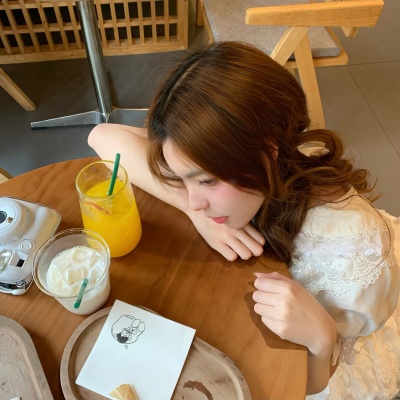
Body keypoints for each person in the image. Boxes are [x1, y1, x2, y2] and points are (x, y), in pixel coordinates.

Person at [88, 41, 400, 399]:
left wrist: (321, 336)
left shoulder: (353, 247)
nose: (196, 200)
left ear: (267, 150)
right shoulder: (230, 158)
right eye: (184, 179)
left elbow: (315, 385)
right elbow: (103, 136)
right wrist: (194, 211)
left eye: (206, 181)